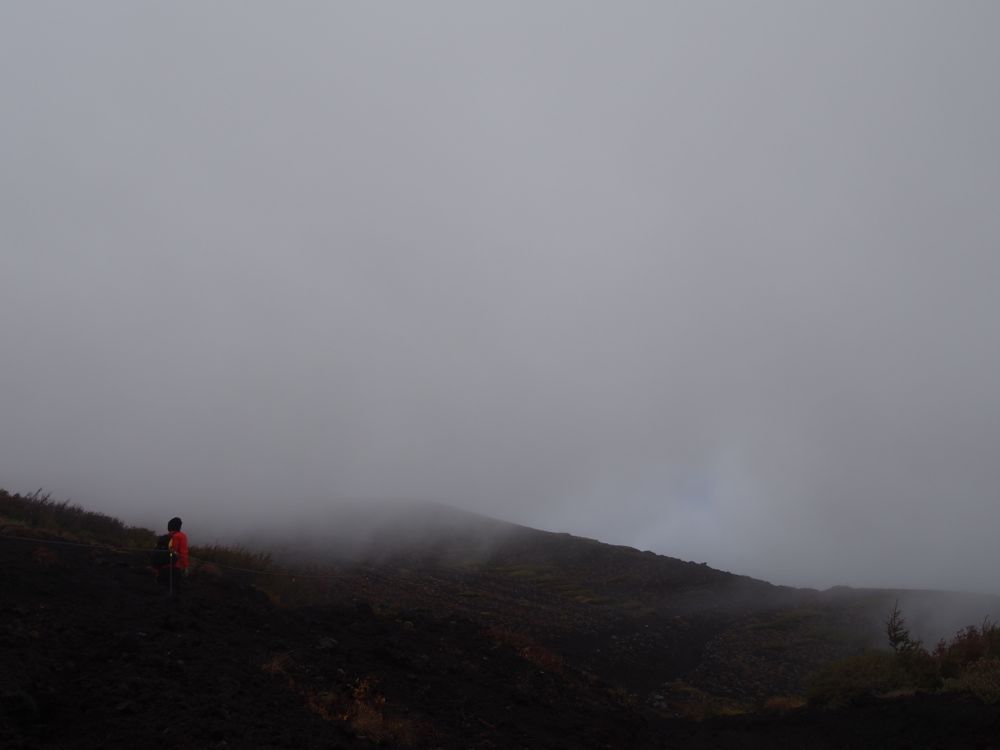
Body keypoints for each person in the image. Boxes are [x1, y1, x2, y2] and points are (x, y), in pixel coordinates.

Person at [156, 516, 189, 595]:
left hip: (162, 568)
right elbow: (183, 553)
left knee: (162, 592)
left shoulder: (164, 538)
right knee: (175, 593)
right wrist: (185, 567)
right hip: (174, 569)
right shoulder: (181, 536)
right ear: (179, 526)